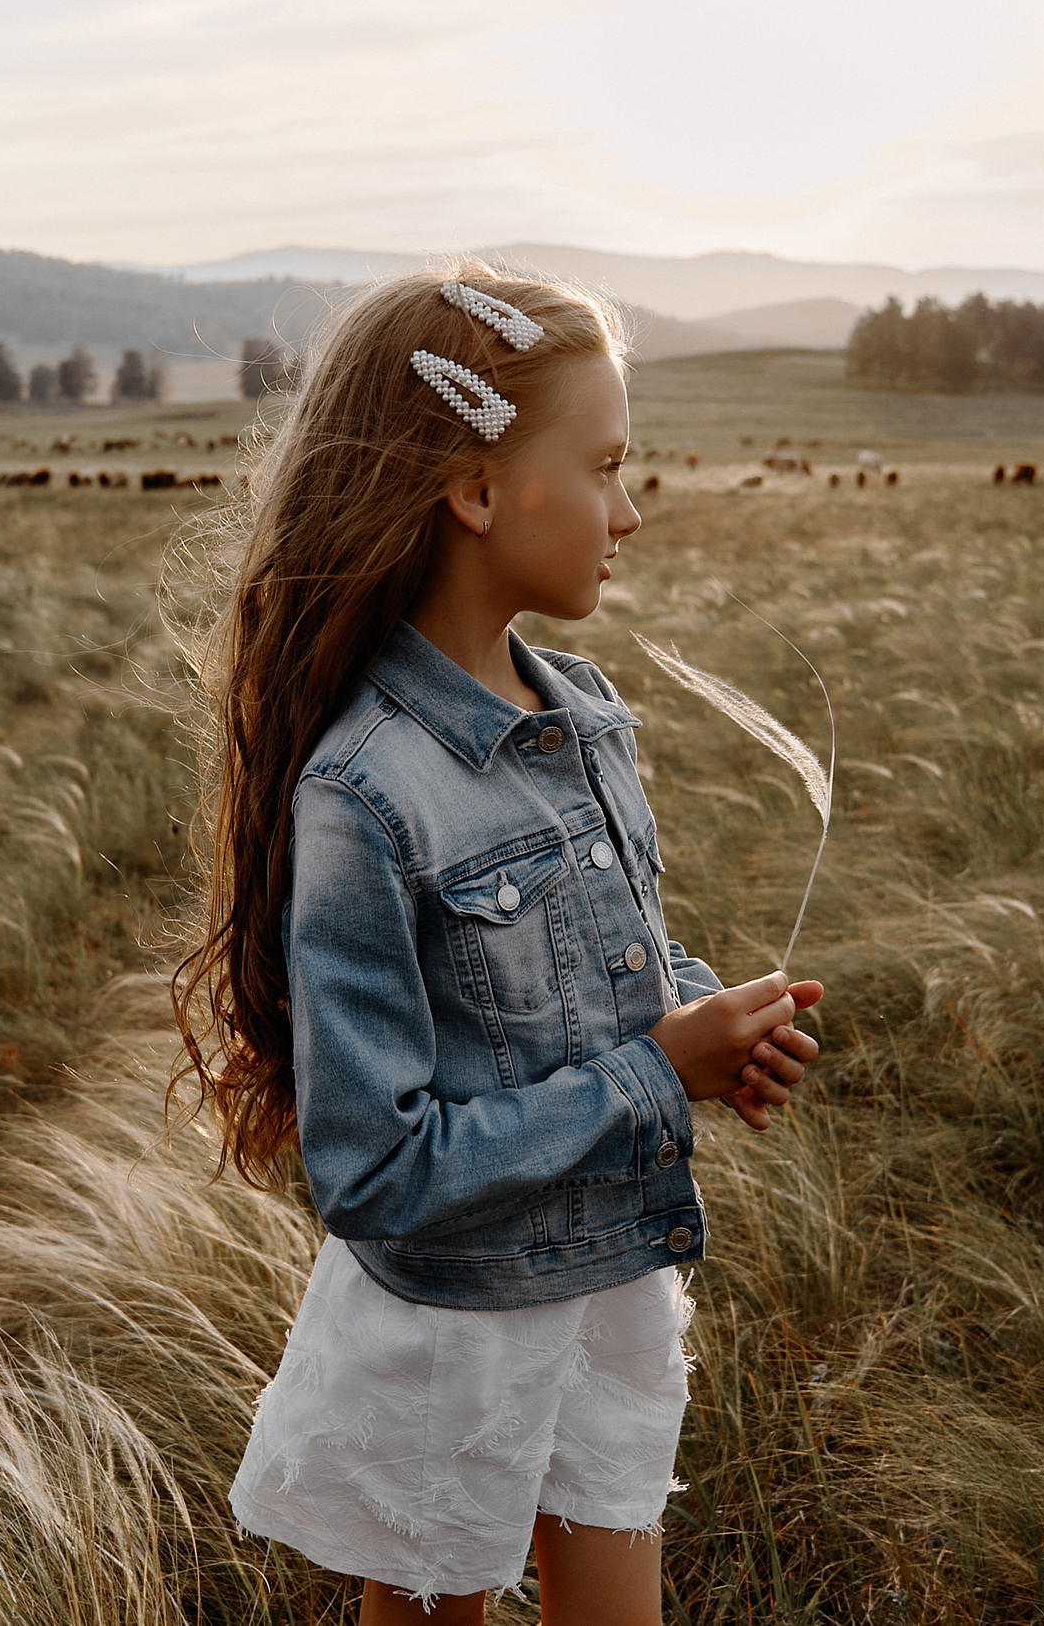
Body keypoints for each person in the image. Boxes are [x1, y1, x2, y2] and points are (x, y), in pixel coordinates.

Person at [173, 265, 822, 1625]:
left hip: (606, 1285)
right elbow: (378, 1169)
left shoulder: (586, 717)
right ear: (475, 493)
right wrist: (659, 1073)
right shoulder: (367, 794)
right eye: (603, 467)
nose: (630, 512)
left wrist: (715, 1025)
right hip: (449, 1334)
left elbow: (610, 970)